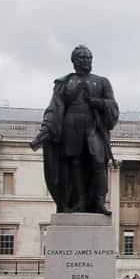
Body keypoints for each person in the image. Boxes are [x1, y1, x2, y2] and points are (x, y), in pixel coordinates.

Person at [29, 44, 119, 215]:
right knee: (75, 163)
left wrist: (99, 103)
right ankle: (80, 201)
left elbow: (113, 106)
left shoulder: (102, 81)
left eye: (88, 57)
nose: (86, 61)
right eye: (82, 58)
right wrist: (46, 129)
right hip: (71, 124)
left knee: (98, 162)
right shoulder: (65, 82)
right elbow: (55, 107)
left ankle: (98, 201)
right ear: (74, 61)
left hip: (93, 125)